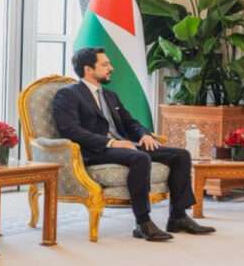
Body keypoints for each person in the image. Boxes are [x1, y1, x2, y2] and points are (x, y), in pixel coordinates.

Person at [53, 47, 216, 241]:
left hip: (123, 145)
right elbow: (70, 130)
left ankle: (178, 217)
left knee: (181, 155)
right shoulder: (68, 94)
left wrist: (144, 135)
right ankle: (142, 222)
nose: (111, 68)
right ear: (88, 70)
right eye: (105, 64)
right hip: (94, 150)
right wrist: (112, 143)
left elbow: (130, 123)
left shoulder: (110, 95)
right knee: (140, 157)